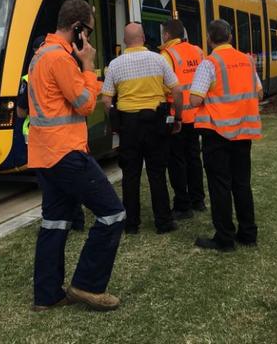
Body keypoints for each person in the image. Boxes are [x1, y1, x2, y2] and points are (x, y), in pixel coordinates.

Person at [28, 0, 126, 312]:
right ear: (78, 29)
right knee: (113, 214)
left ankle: (47, 295)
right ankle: (88, 285)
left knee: (55, 223)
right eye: (90, 32)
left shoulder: (41, 54)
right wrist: (88, 66)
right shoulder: (60, 58)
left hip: (45, 154)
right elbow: (84, 103)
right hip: (66, 152)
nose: (90, 39)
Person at [101, 23, 183, 235]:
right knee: (157, 172)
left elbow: (106, 100)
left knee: (130, 174)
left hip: (129, 125)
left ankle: (132, 224)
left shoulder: (115, 65)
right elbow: (177, 90)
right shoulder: (159, 59)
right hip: (155, 122)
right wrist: (177, 117)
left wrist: (115, 120)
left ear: (125, 40)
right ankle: (163, 222)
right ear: (144, 38)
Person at [189, 19, 263, 252]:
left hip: (217, 133)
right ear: (230, 37)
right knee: (242, 184)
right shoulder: (246, 61)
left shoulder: (209, 64)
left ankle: (224, 238)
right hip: (243, 132)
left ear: (210, 39)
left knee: (220, 186)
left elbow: (195, 99)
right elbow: (259, 93)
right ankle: (248, 233)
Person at [17, 36, 85, 232]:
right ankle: (77, 221)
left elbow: (21, 112)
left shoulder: (28, 77)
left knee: (49, 184)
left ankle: (54, 223)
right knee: (69, 179)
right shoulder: (66, 67)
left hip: (39, 138)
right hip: (64, 136)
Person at [160, 19, 206, 219]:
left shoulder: (167, 55)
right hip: (196, 115)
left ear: (168, 35)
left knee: (177, 161)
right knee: (194, 158)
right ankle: (198, 200)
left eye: (163, 34)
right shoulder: (198, 51)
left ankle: (182, 205)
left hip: (176, 117)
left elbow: (165, 87)